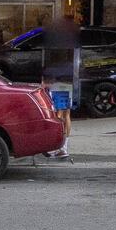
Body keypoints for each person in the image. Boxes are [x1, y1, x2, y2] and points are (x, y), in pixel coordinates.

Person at [41, 16, 80, 159]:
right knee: (66, 114)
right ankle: (63, 146)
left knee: (58, 115)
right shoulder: (73, 38)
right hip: (70, 80)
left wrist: (46, 80)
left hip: (57, 81)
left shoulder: (55, 40)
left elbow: (50, 62)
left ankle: (58, 147)